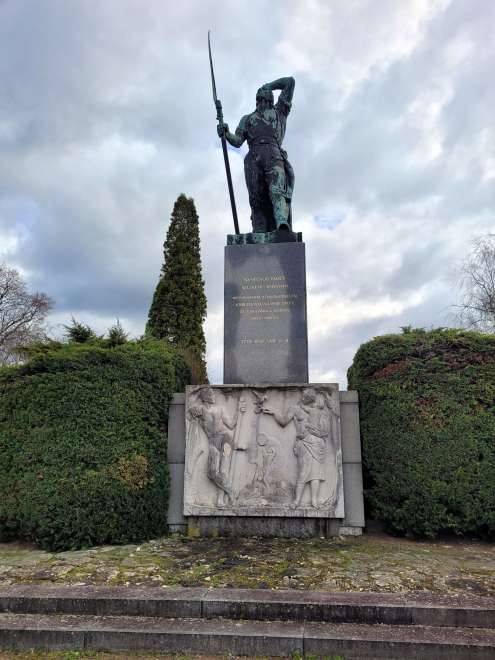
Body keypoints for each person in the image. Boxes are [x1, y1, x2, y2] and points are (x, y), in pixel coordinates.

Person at [218, 77, 295, 233]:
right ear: (256, 99)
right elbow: (238, 141)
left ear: (270, 97)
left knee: (276, 190)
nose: (262, 94)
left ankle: (281, 223)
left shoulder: (280, 111)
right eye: (260, 94)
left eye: (265, 92)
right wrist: (226, 133)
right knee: (256, 197)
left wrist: (270, 85)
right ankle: (259, 229)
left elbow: (290, 82)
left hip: (273, 154)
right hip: (253, 158)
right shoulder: (247, 119)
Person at [263, 388, 329, 508]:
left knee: (316, 474)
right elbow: (283, 421)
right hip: (304, 443)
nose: (303, 397)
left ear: (311, 398)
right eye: (303, 396)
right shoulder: (295, 409)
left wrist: (316, 431)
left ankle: (314, 501)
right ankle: (297, 501)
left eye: (306, 396)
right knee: (303, 472)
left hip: (317, 444)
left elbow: (324, 431)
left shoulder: (318, 411)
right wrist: (274, 412)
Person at [188, 387, 245, 505]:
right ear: (205, 398)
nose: (214, 396)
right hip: (213, 442)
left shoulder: (220, 408)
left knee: (223, 469)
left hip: (226, 440)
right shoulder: (200, 410)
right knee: (212, 473)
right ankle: (231, 492)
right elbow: (189, 408)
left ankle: (220, 500)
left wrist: (239, 411)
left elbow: (231, 425)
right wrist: (197, 393)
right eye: (211, 394)